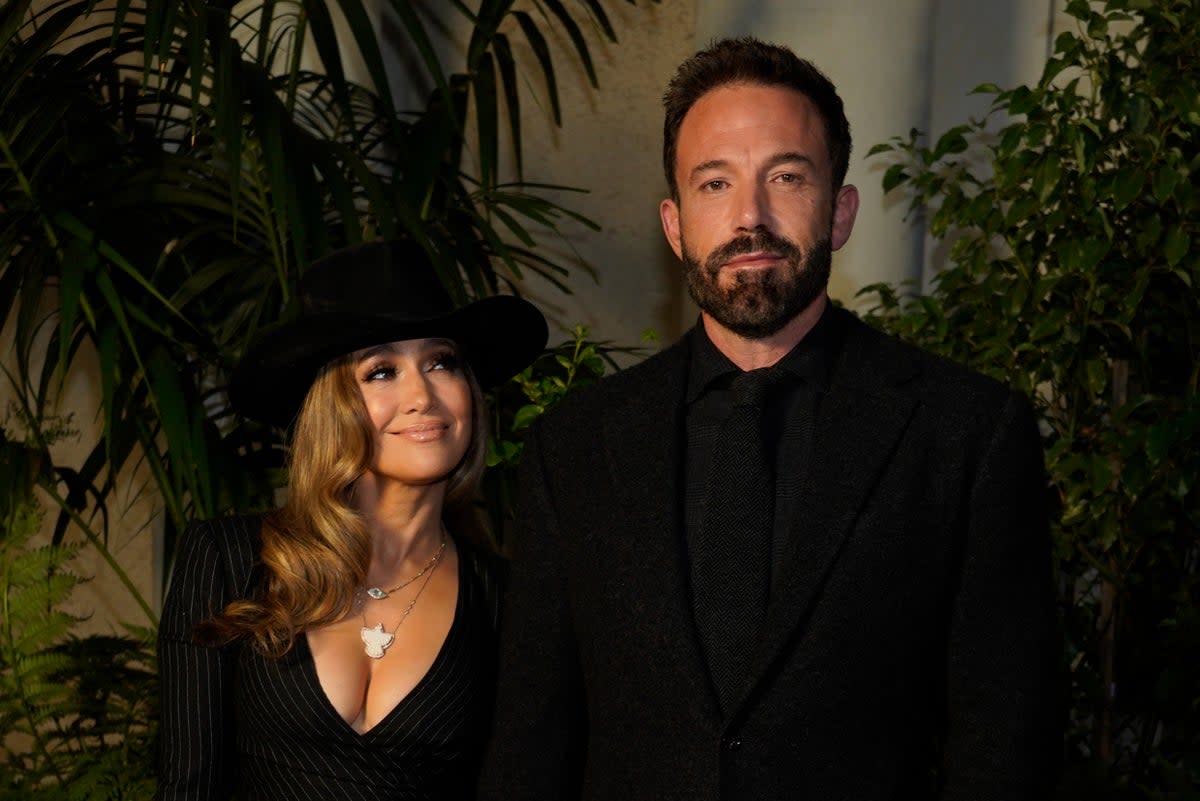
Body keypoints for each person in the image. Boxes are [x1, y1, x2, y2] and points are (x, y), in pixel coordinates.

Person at [479, 37, 1059, 801]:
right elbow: (531, 745)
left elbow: (1005, 752)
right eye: (714, 183)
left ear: (841, 210)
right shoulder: (578, 446)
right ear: (675, 223)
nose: (749, 217)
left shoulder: (967, 435)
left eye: (785, 177)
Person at [156, 239, 547, 801]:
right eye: (382, 371)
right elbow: (186, 788)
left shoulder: (508, 600)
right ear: (331, 406)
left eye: (442, 362)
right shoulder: (226, 559)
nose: (422, 396)